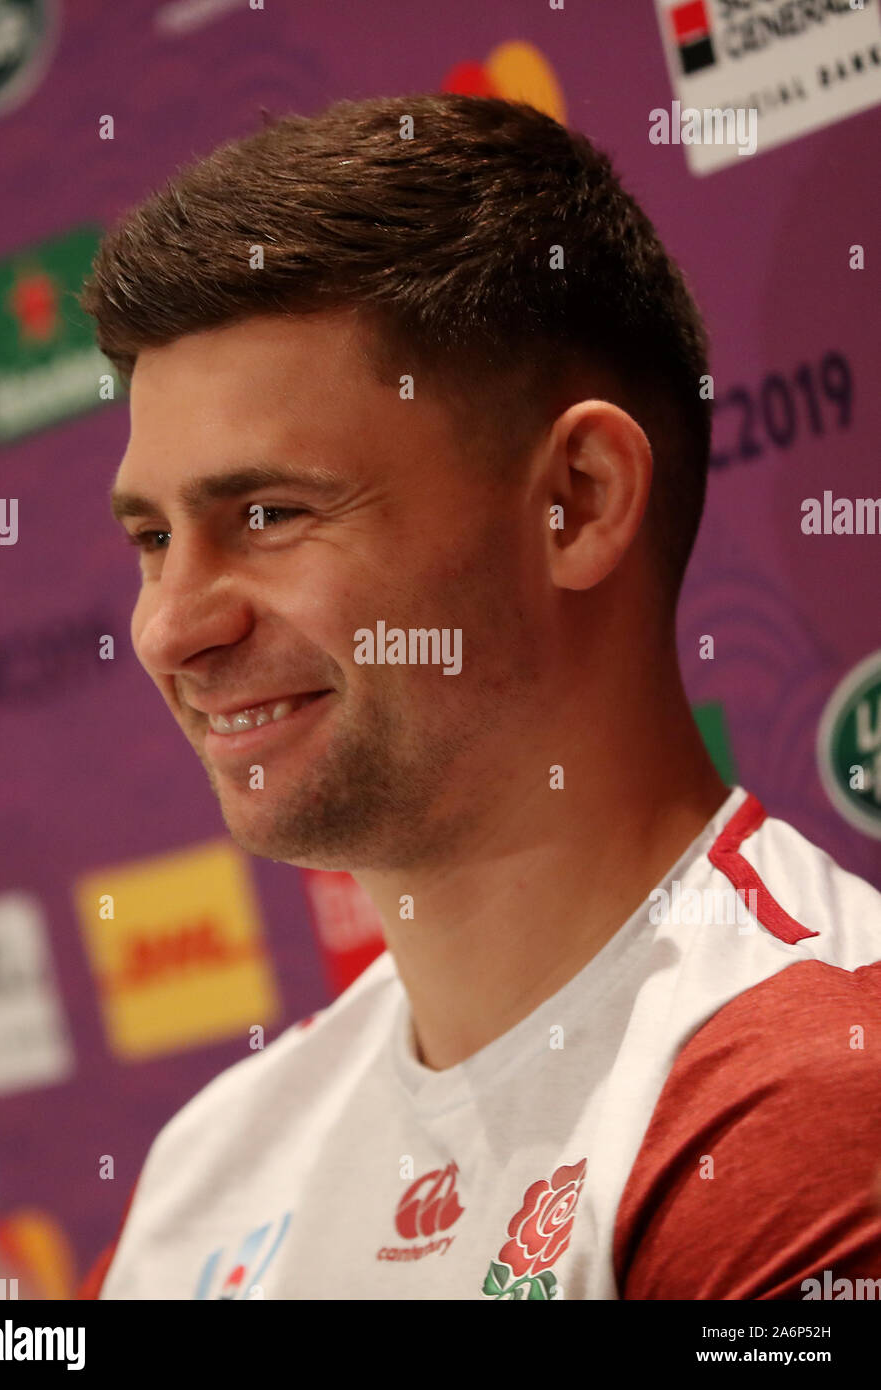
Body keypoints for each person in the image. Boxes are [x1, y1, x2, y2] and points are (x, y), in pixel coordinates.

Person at [75, 93, 881, 1300]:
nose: (172, 628)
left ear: (579, 499)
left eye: (268, 516)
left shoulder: (806, 1094)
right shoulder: (214, 1161)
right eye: (151, 537)